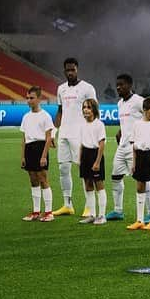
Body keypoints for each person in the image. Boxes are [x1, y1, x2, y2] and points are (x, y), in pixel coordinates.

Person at [53, 58, 97, 217]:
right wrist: (53, 132)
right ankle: (67, 205)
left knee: (84, 170)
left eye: (73, 69)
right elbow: (60, 111)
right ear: (64, 71)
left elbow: (94, 111)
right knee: (63, 168)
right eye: (67, 70)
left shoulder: (87, 88)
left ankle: (89, 206)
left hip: (80, 134)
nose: (70, 72)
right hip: (64, 134)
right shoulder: (61, 89)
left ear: (77, 69)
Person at [107, 74, 145, 221]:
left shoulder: (139, 101)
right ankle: (118, 210)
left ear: (130, 85)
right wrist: (120, 132)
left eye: (121, 85)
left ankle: (147, 213)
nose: (118, 87)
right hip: (122, 146)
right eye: (117, 85)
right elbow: (126, 123)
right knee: (115, 177)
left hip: (135, 147)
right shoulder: (119, 104)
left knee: (141, 179)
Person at [127, 97, 150, 231]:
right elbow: (134, 145)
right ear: (144, 110)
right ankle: (140, 220)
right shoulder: (137, 124)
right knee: (140, 186)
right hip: (141, 156)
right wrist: (134, 162)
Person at [20, 86, 55, 222]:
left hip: (40, 148)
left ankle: (48, 212)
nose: (29, 101)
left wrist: (44, 156)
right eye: (27, 98)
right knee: (33, 179)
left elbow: (48, 138)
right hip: (29, 148)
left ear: (39, 99)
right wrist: (23, 156)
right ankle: (36, 211)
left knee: (42, 179)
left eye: (32, 98)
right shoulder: (26, 117)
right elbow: (24, 138)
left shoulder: (45, 116)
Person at [78, 98, 107, 225]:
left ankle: (102, 215)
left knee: (98, 185)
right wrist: (79, 158)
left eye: (88, 107)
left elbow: (101, 144)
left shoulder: (99, 124)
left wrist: (97, 162)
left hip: (95, 154)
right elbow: (82, 143)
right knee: (88, 185)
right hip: (85, 155)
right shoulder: (82, 125)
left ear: (94, 110)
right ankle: (92, 214)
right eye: (84, 107)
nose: (86, 110)